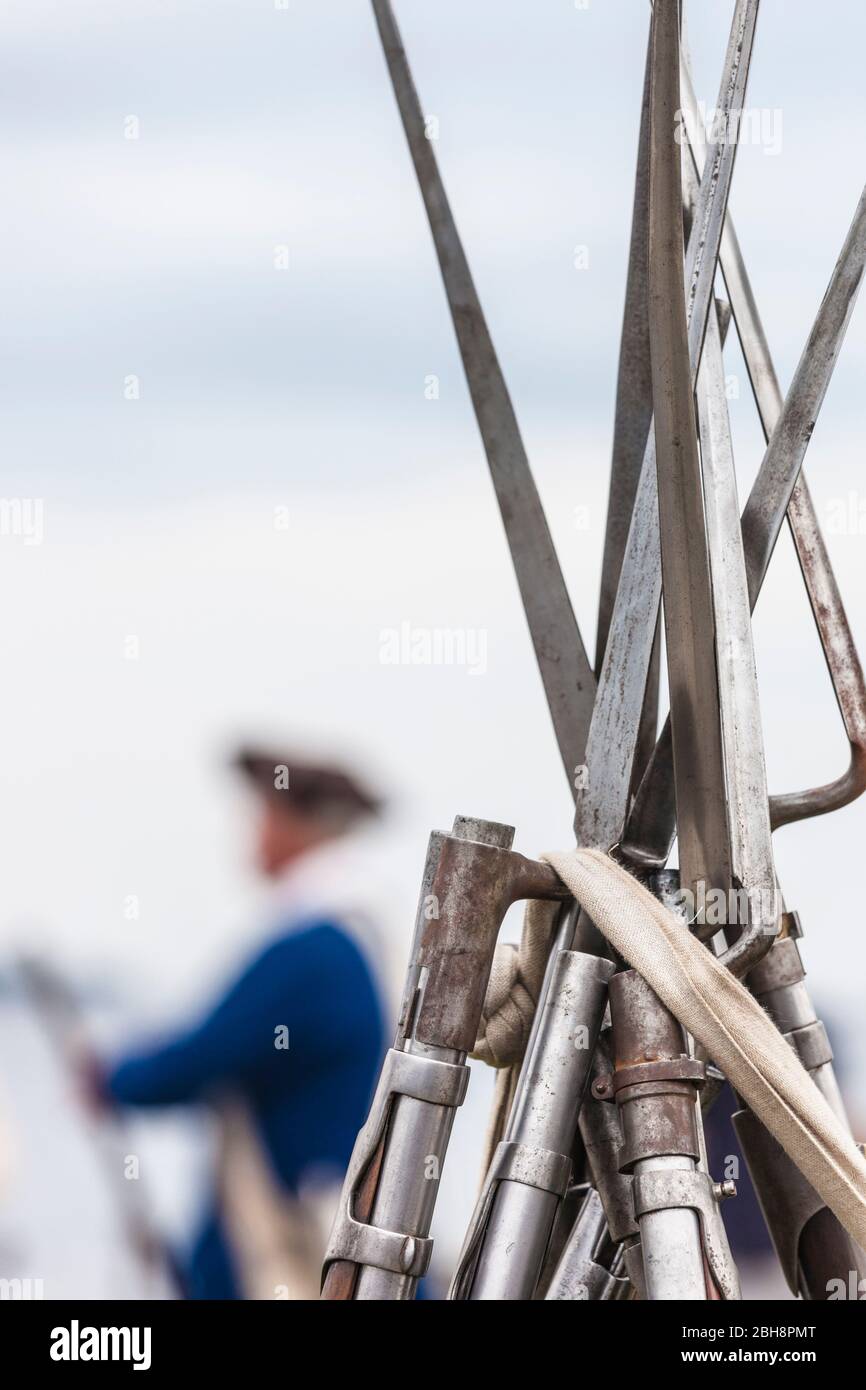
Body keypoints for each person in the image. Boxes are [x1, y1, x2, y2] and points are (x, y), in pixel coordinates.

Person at [99, 748, 386, 1299]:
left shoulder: (309, 949)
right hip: (331, 1226)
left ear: (295, 825)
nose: (252, 833)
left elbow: (199, 1056)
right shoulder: (357, 938)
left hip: (280, 1241)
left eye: (262, 816)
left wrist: (109, 1079)